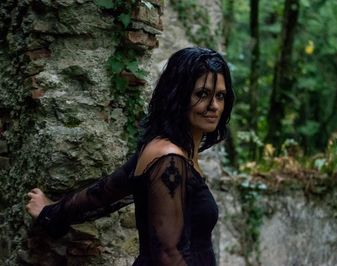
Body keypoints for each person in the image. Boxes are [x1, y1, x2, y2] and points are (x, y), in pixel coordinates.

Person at [26, 47, 234, 265]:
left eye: (220, 96)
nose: (214, 106)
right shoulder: (168, 159)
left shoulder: (169, 151)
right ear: (178, 94)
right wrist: (48, 212)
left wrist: (54, 212)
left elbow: (104, 192)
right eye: (202, 94)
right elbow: (169, 254)